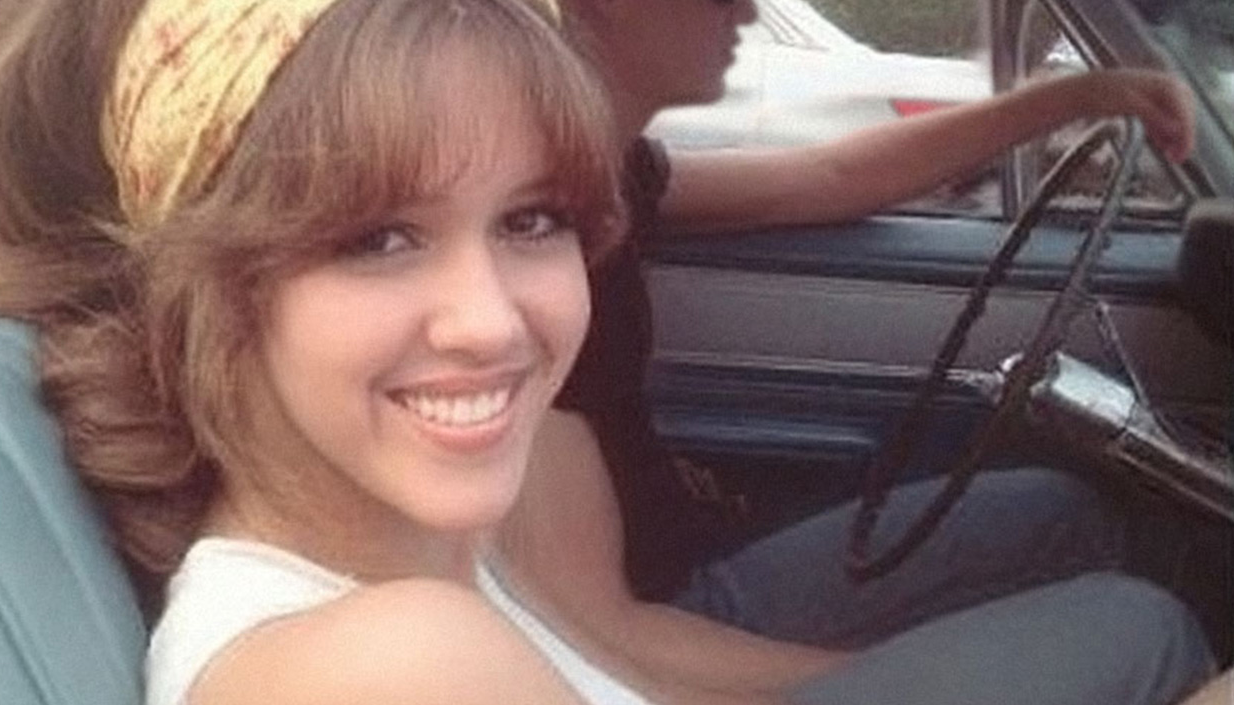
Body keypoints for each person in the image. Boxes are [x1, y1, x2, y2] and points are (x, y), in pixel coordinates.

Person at [0, 0, 729, 703]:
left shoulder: (422, 542)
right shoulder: (402, 663)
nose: (490, 322)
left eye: (531, 221)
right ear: (207, 290)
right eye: (379, 240)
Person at [492, 0, 1220, 703]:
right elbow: (602, 639)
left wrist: (1069, 98)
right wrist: (892, 668)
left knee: (1066, 512)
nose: (747, 12)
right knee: (1148, 627)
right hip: (668, 634)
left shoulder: (610, 178)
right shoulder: (530, 267)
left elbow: (826, 178)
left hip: (693, 564)